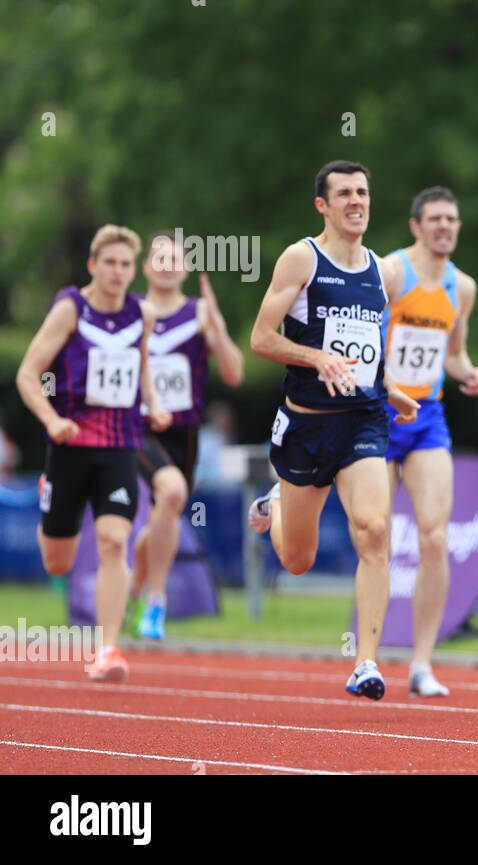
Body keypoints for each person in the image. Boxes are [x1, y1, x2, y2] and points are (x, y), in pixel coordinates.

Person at [247, 160, 420, 700]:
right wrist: (314, 358)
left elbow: (367, 353)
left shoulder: (384, 272)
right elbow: (260, 337)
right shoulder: (302, 258)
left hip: (363, 422)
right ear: (322, 204)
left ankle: (365, 662)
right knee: (297, 561)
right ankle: (276, 503)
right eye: (343, 193)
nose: (356, 201)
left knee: (374, 530)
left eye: (363, 192)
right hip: (306, 425)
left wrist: (387, 388)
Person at [15, 224, 170, 682]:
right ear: (93, 265)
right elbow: (28, 373)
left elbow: (141, 366)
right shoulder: (71, 309)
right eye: (110, 264)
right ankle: (50, 493)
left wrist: (155, 405)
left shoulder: (139, 314)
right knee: (57, 561)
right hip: (69, 447)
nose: (118, 273)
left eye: (126, 265)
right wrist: (50, 420)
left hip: (120, 445)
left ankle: (107, 650)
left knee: (114, 541)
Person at [381, 186, 478, 698]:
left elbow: (453, 353)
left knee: (434, 537)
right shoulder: (390, 272)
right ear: (416, 226)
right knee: (374, 534)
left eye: (452, 219)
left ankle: (422, 663)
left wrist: (469, 373)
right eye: (436, 219)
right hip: (377, 413)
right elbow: (361, 337)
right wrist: (385, 386)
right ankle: (367, 656)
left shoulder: (461, 286)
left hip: (427, 417)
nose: (445, 226)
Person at [127, 232, 245, 640]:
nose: (166, 264)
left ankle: (135, 580)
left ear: (186, 267)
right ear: (145, 267)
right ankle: (156, 602)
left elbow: (234, 374)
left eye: (173, 257)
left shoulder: (199, 314)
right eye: (157, 257)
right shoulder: (131, 312)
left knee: (166, 512)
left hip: (185, 434)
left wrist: (219, 328)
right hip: (138, 427)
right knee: (173, 494)